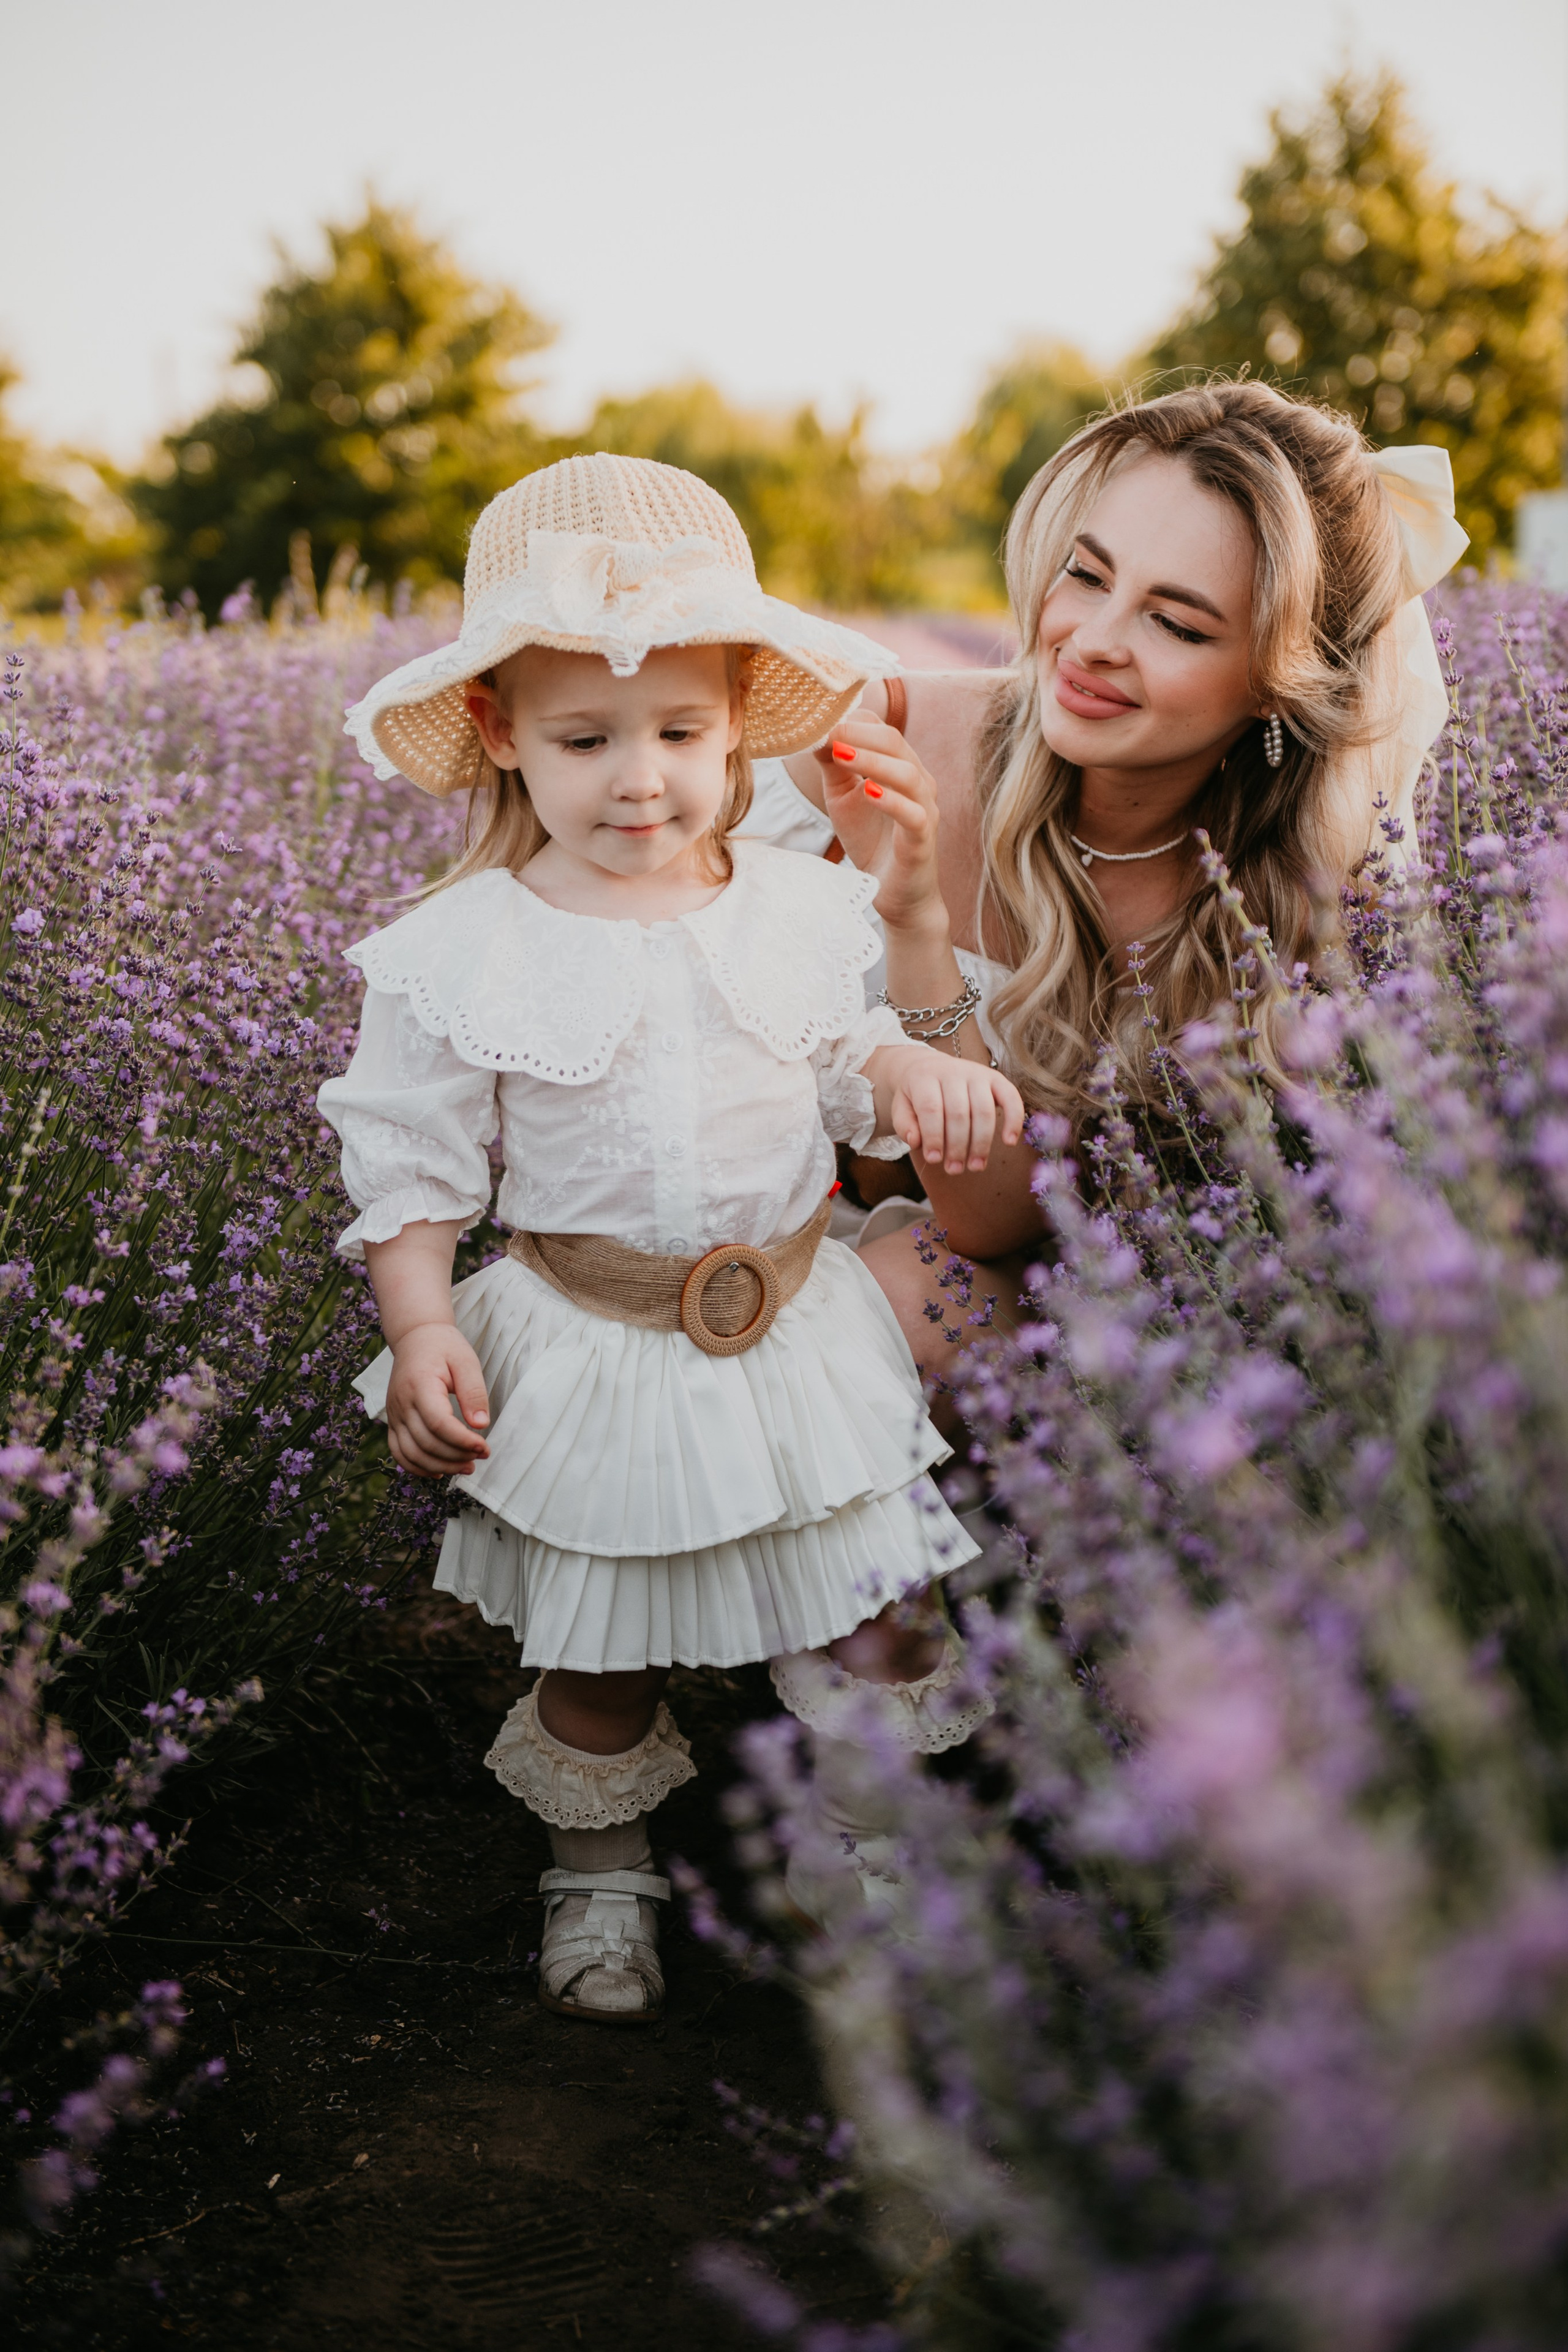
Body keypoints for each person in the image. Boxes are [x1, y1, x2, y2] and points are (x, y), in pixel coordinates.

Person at [317, 454, 1020, 2024]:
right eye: (585, 739)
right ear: (500, 732)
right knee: (599, 1638)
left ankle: (868, 1845)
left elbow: (850, 1062)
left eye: (681, 735)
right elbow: (415, 1162)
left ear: (735, 720)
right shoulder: (463, 947)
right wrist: (421, 1323)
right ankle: (604, 1870)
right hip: (590, 1332)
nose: (642, 780)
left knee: (872, 1603)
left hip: (794, 1318)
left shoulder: (798, 901)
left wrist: (905, 1057)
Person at [775, 382, 1469, 1357]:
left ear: (1282, 685)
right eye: (1088, 576)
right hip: (748, 1231)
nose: (1092, 643)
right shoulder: (867, 741)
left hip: (1026, 1319)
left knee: (914, 1306)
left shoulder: (1280, 907)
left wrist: (918, 930)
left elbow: (987, 1231)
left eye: (1177, 625)